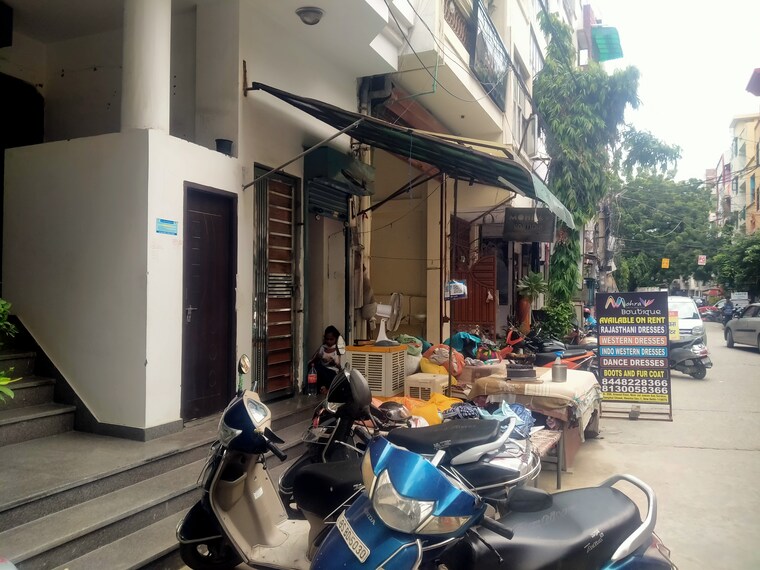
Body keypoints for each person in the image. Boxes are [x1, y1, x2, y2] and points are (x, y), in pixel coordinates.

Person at [308, 325, 342, 395]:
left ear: (336, 339)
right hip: (323, 371)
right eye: (327, 339)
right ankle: (320, 388)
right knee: (315, 368)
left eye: (331, 339)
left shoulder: (338, 349)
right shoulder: (323, 348)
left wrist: (334, 363)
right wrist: (318, 357)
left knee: (321, 370)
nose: (329, 341)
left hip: (333, 373)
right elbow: (312, 359)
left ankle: (327, 389)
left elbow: (341, 367)